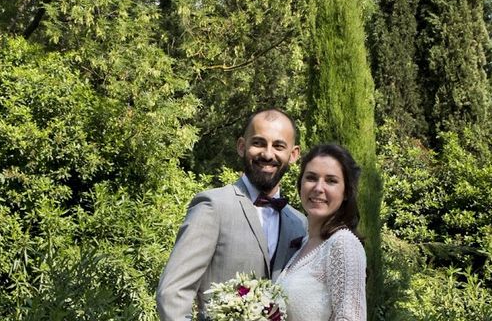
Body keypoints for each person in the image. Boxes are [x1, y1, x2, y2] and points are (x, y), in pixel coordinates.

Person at [156, 108, 307, 321]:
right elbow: (172, 292)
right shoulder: (212, 206)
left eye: (279, 146)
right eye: (258, 143)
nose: (268, 154)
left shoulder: (300, 224)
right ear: (241, 147)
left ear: (293, 155)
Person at [276, 143, 367, 321]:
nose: (318, 188)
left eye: (331, 181)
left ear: (346, 191)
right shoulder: (304, 243)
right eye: (311, 178)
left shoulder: (343, 243)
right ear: (300, 184)